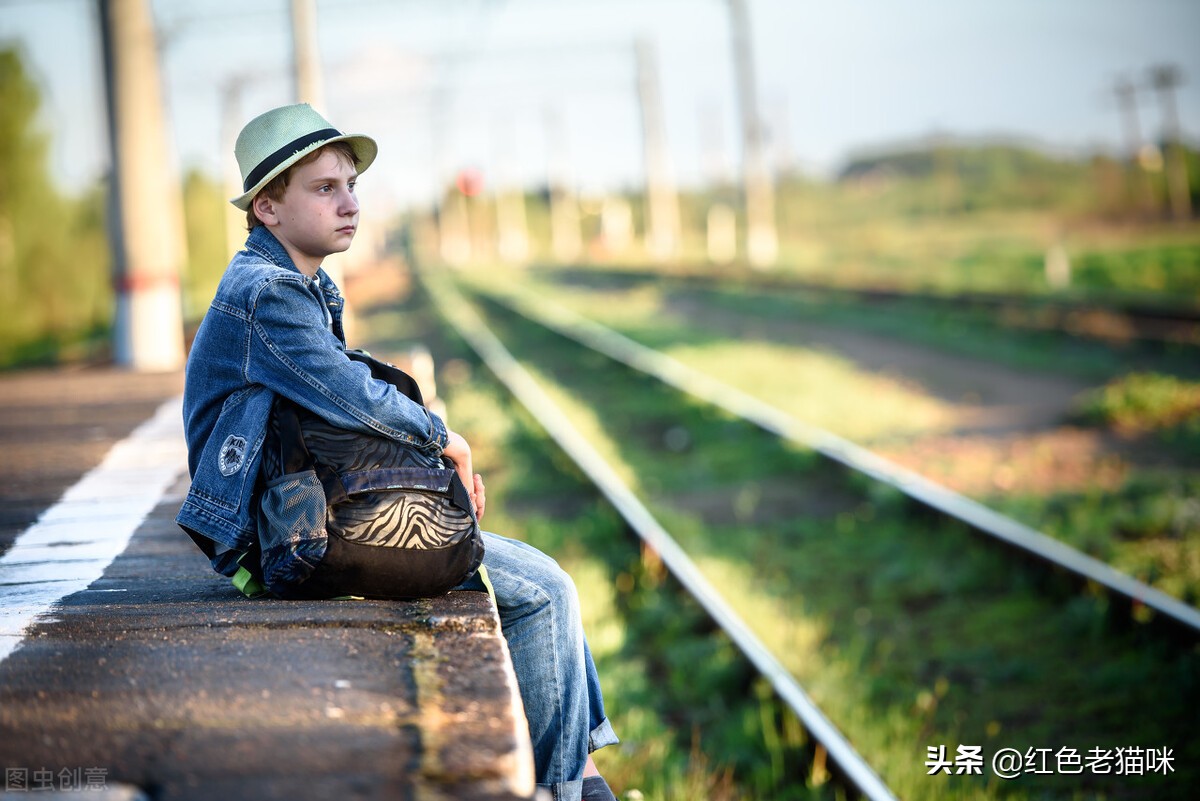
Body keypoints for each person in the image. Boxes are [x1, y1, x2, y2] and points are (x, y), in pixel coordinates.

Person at [175, 103, 619, 801]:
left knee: (537, 580)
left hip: (301, 510)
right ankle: (571, 785)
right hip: (282, 535)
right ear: (268, 207)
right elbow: (352, 394)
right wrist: (446, 439)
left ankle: (581, 775)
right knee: (543, 592)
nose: (350, 203)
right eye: (325, 189)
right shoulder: (267, 294)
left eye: (351, 185)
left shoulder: (301, 282)